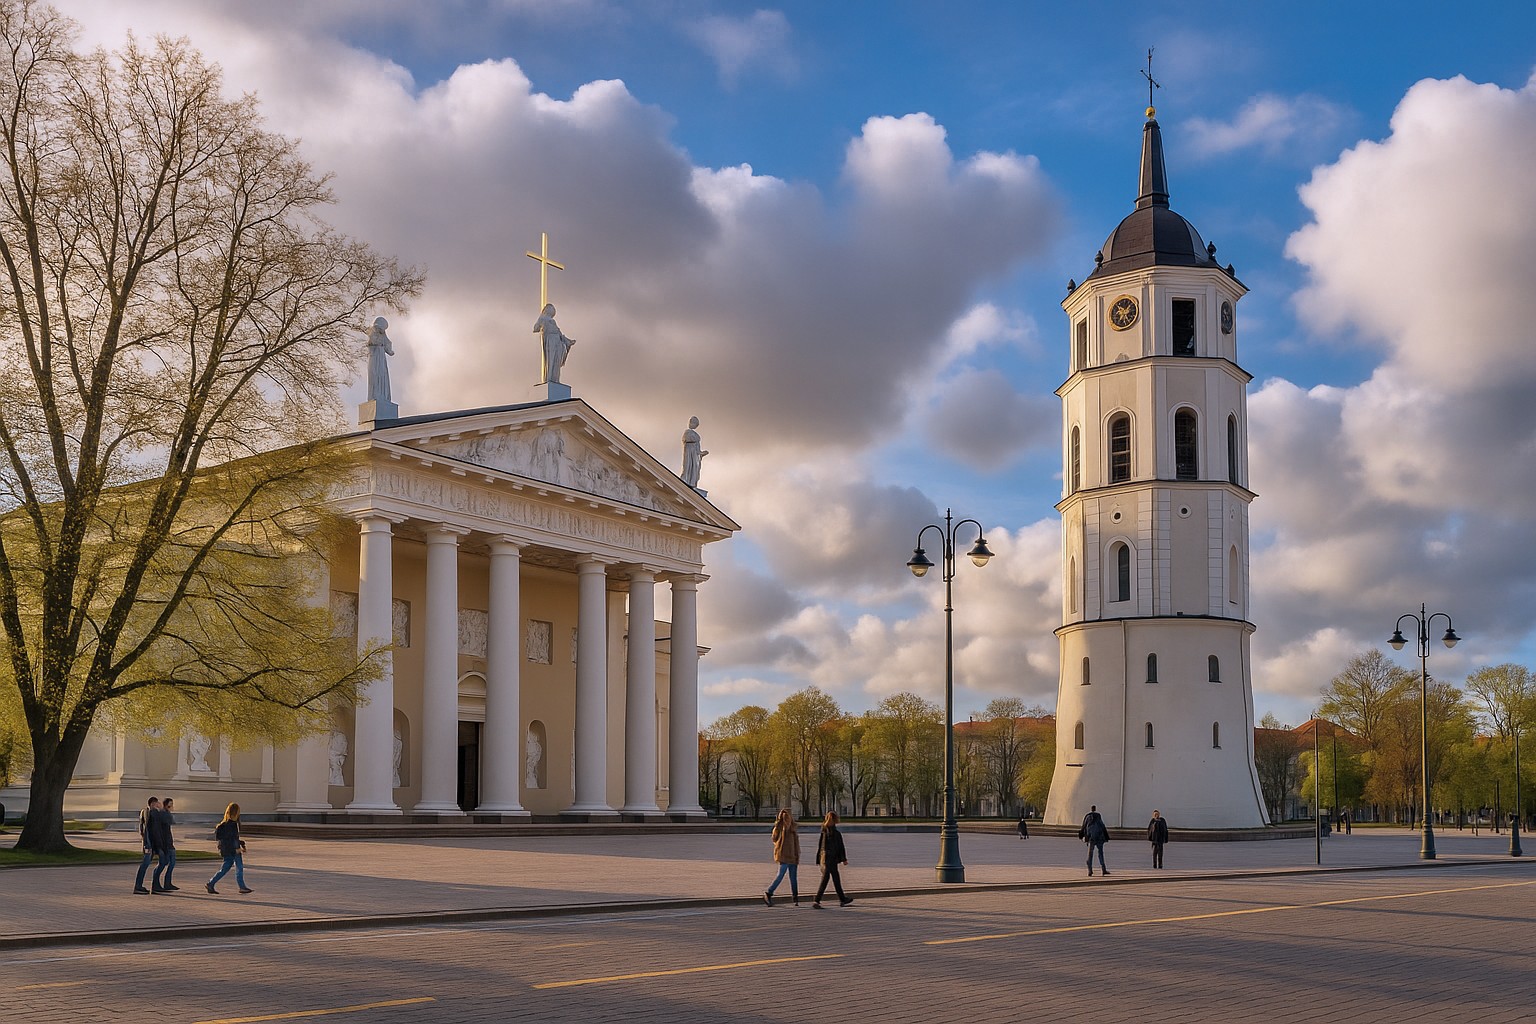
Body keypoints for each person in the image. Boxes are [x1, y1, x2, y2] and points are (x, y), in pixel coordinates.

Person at [206, 802, 251, 895]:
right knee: (238, 868)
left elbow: (230, 839)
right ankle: (241, 887)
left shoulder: (225, 825)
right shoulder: (232, 825)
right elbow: (230, 839)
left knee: (226, 869)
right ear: (235, 813)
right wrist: (236, 848)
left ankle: (211, 883)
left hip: (230, 850)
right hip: (233, 850)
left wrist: (241, 843)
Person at [812, 811, 853, 908]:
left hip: (825, 859)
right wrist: (844, 859)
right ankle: (817, 900)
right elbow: (840, 847)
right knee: (827, 880)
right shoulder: (836, 833)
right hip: (832, 859)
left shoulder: (824, 831)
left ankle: (842, 898)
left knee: (834, 879)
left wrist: (818, 859)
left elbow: (820, 846)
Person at [763, 808, 800, 907]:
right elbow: (774, 839)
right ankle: (769, 892)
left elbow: (796, 843)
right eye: (785, 817)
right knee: (780, 875)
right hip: (783, 855)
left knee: (793, 878)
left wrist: (797, 855)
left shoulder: (793, 828)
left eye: (788, 817)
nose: (787, 820)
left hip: (792, 856)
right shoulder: (779, 827)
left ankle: (795, 897)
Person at [533, 303, 575, 384]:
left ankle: (555, 379)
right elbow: (535, 328)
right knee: (551, 359)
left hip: (557, 341)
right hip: (550, 340)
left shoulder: (552, 321)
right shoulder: (543, 318)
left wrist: (568, 341)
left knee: (556, 360)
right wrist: (542, 324)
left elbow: (559, 332)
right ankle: (549, 378)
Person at [133, 797, 161, 894]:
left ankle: (140, 885)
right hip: (149, 844)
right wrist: (149, 845)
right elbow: (152, 830)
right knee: (145, 864)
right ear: (153, 803)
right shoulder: (152, 813)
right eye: (157, 803)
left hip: (147, 842)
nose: (158, 804)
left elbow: (142, 829)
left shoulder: (143, 811)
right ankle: (138, 886)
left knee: (145, 864)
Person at [1079, 804, 1110, 876]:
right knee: (1100, 853)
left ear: (1091, 809)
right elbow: (1102, 826)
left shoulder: (1087, 817)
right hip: (1099, 838)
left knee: (1090, 854)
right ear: (1095, 809)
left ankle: (1090, 870)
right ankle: (1103, 869)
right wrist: (1106, 837)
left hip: (1091, 838)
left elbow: (1084, 826)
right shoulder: (1098, 816)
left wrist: (1082, 836)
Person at [157, 797, 180, 891]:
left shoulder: (166, 814)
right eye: (170, 804)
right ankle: (159, 883)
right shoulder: (164, 814)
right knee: (164, 863)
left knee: (171, 863)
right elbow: (172, 822)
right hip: (166, 843)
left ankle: (167, 883)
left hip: (169, 842)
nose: (172, 806)